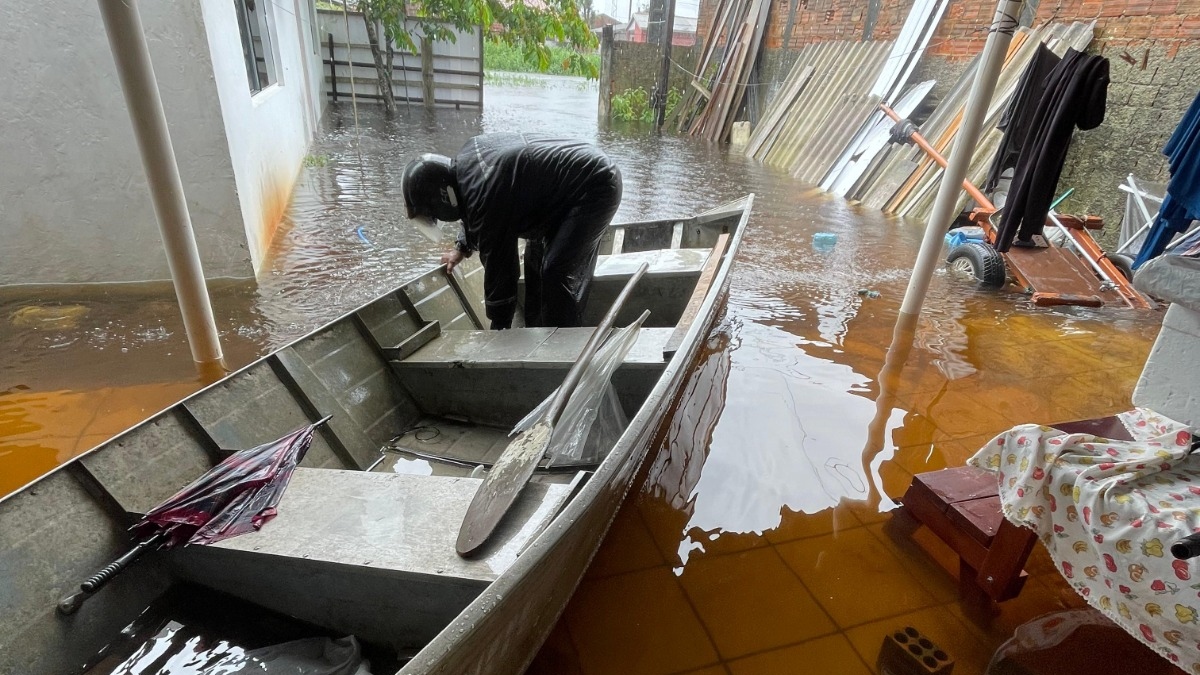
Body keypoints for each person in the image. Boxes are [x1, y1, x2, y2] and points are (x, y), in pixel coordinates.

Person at [401, 133, 622, 330]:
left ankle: (566, 344)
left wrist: (499, 328)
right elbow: (474, 208)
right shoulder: (468, 163)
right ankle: (539, 331)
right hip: (564, 194)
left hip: (595, 186)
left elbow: (501, 270)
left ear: (442, 198)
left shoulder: (484, 197)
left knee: (555, 271)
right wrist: (462, 246)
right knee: (536, 261)